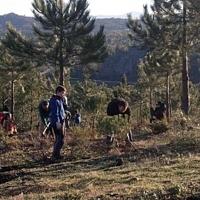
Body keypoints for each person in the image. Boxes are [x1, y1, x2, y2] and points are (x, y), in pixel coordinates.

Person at [49, 85, 66, 160]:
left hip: (61, 121)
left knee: (59, 138)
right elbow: (55, 113)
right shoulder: (55, 101)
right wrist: (57, 123)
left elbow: (63, 109)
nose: (63, 95)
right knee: (60, 139)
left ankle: (56, 154)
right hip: (57, 122)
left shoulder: (59, 100)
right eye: (62, 93)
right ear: (58, 92)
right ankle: (55, 155)